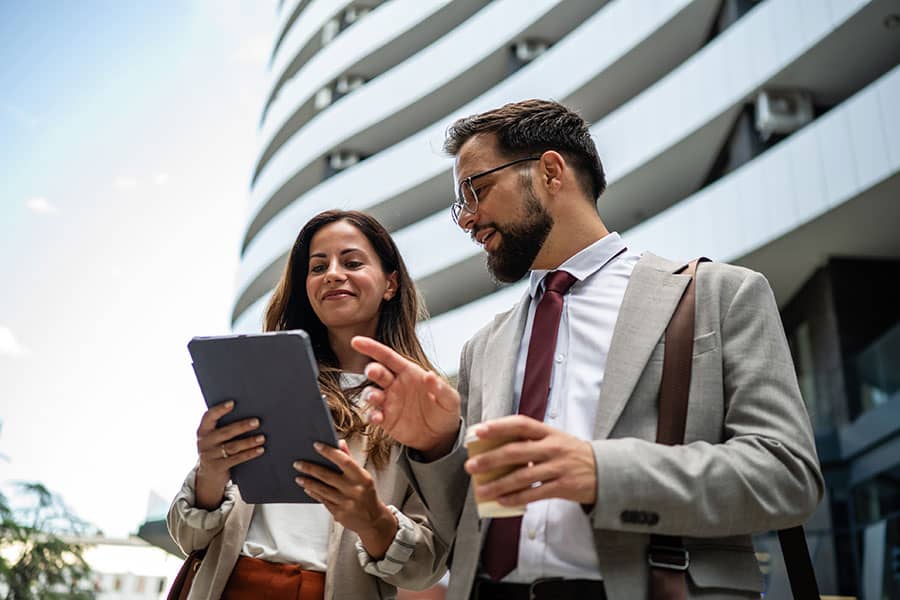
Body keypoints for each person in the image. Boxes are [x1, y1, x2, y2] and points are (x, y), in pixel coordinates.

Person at [350, 99, 824, 599]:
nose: (467, 219)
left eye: (477, 189)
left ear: (551, 172)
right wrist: (439, 447)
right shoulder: (483, 348)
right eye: (462, 204)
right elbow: (468, 524)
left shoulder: (720, 295)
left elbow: (786, 475)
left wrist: (601, 473)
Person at [168, 210, 449, 600]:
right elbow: (188, 537)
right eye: (318, 267)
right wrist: (211, 474)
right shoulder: (264, 380)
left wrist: (373, 520)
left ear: (390, 283)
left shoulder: (424, 402)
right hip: (230, 587)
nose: (333, 273)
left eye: (351, 262)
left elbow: (427, 566)